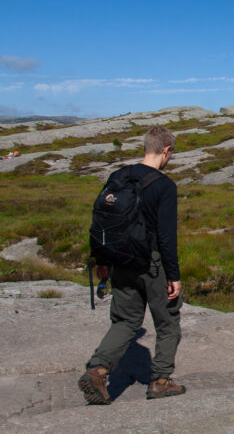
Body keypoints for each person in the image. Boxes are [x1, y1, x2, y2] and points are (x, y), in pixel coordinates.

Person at [79, 126, 185, 405]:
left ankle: (98, 370)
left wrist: (101, 260)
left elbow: (101, 220)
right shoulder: (164, 186)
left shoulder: (118, 176)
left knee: (125, 320)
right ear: (166, 150)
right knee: (168, 321)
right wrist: (173, 275)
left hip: (119, 260)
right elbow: (166, 237)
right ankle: (161, 381)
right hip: (152, 264)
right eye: (170, 154)